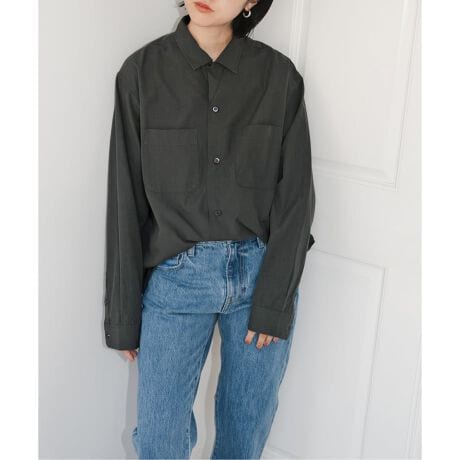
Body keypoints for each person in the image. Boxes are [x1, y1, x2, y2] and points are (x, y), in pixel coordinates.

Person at [104, 0, 315, 458]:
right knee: (159, 441)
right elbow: (125, 200)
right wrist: (123, 314)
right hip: (176, 279)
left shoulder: (279, 78)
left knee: (244, 435)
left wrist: (275, 300)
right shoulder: (141, 74)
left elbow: (296, 198)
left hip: (260, 277)